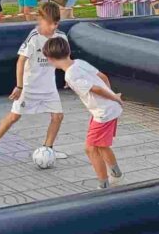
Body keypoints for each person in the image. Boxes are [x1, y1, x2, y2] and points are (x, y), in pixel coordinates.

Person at [0, 1, 68, 161]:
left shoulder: (61, 37)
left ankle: (48, 149)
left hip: (49, 88)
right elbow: (20, 62)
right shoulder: (34, 37)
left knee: (58, 116)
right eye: (50, 24)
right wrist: (19, 86)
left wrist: (69, 74)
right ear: (40, 20)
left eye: (56, 23)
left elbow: (66, 57)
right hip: (30, 87)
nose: (53, 27)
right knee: (14, 116)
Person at [43, 36, 125, 190]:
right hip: (109, 109)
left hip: (104, 113)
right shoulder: (79, 63)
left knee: (90, 148)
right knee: (101, 145)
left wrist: (113, 97)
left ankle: (104, 185)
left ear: (50, 59)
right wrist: (112, 96)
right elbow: (102, 77)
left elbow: (96, 89)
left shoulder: (70, 75)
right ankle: (116, 172)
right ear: (68, 52)